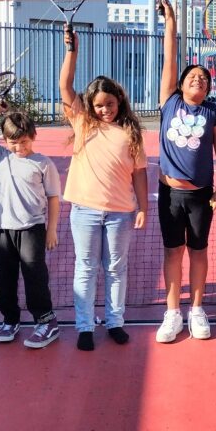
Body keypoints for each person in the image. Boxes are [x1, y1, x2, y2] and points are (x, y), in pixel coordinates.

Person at [60, 30, 148, 351]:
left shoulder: (130, 134)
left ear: (119, 101)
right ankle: (85, 326)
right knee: (85, 267)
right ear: (90, 106)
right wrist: (72, 51)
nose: (104, 110)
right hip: (84, 210)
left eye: (109, 103)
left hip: (120, 213)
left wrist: (142, 207)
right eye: (98, 105)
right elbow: (65, 87)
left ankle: (115, 322)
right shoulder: (83, 124)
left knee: (115, 269)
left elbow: (140, 174)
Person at [156, 0, 216, 343]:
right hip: (170, 193)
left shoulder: (213, 112)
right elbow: (170, 57)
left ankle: (196, 310)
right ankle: (172, 313)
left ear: (208, 89)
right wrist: (171, 22)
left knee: (199, 252)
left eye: (204, 78)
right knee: (173, 253)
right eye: (192, 76)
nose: (198, 79)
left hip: (201, 195)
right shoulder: (169, 101)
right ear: (182, 84)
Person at [0, 101, 61, 349]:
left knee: (35, 276)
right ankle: (10, 319)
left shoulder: (43, 163)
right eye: (13, 142)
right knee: (3, 278)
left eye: (24, 141)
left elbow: (53, 198)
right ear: (5, 140)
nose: (19, 147)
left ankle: (46, 321)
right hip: (1, 229)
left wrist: (51, 229)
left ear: (33, 136)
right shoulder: (1, 157)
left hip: (32, 228)